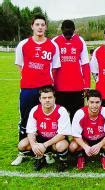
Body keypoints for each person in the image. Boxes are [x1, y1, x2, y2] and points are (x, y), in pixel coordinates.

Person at [12, 15, 60, 164]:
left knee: (48, 119)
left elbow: (55, 68)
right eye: (37, 24)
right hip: (27, 89)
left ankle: (48, 151)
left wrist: (45, 83)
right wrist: (29, 78)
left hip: (45, 89)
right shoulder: (23, 44)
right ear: (32, 26)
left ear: (46, 27)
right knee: (26, 119)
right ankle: (24, 152)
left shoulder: (53, 46)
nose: (40, 27)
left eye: (42, 25)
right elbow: (20, 66)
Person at [11, 86, 71, 171]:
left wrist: (44, 145)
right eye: (44, 98)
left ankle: (63, 161)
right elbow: (31, 132)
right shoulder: (35, 110)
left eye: (50, 97)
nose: (47, 100)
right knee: (22, 145)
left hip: (55, 140)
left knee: (61, 146)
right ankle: (40, 157)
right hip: (40, 139)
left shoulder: (61, 110)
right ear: (40, 99)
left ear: (54, 98)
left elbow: (62, 135)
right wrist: (34, 145)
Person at [52, 20, 90, 121]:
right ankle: (62, 137)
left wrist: (87, 86)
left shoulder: (80, 40)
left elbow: (85, 64)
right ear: (61, 30)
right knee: (60, 119)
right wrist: (51, 84)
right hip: (59, 88)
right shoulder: (55, 41)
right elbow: (50, 65)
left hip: (77, 88)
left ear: (74, 30)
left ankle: (75, 137)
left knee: (76, 119)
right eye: (65, 31)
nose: (68, 34)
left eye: (70, 31)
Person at [69, 89, 105, 170]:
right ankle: (81, 155)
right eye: (92, 102)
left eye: (97, 102)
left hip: (101, 139)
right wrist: (85, 147)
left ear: (101, 102)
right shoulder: (80, 113)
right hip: (85, 139)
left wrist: (99, 145)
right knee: (72, 147)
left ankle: (104, 155)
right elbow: (76, 135)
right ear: (87, 102)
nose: (94, 105)